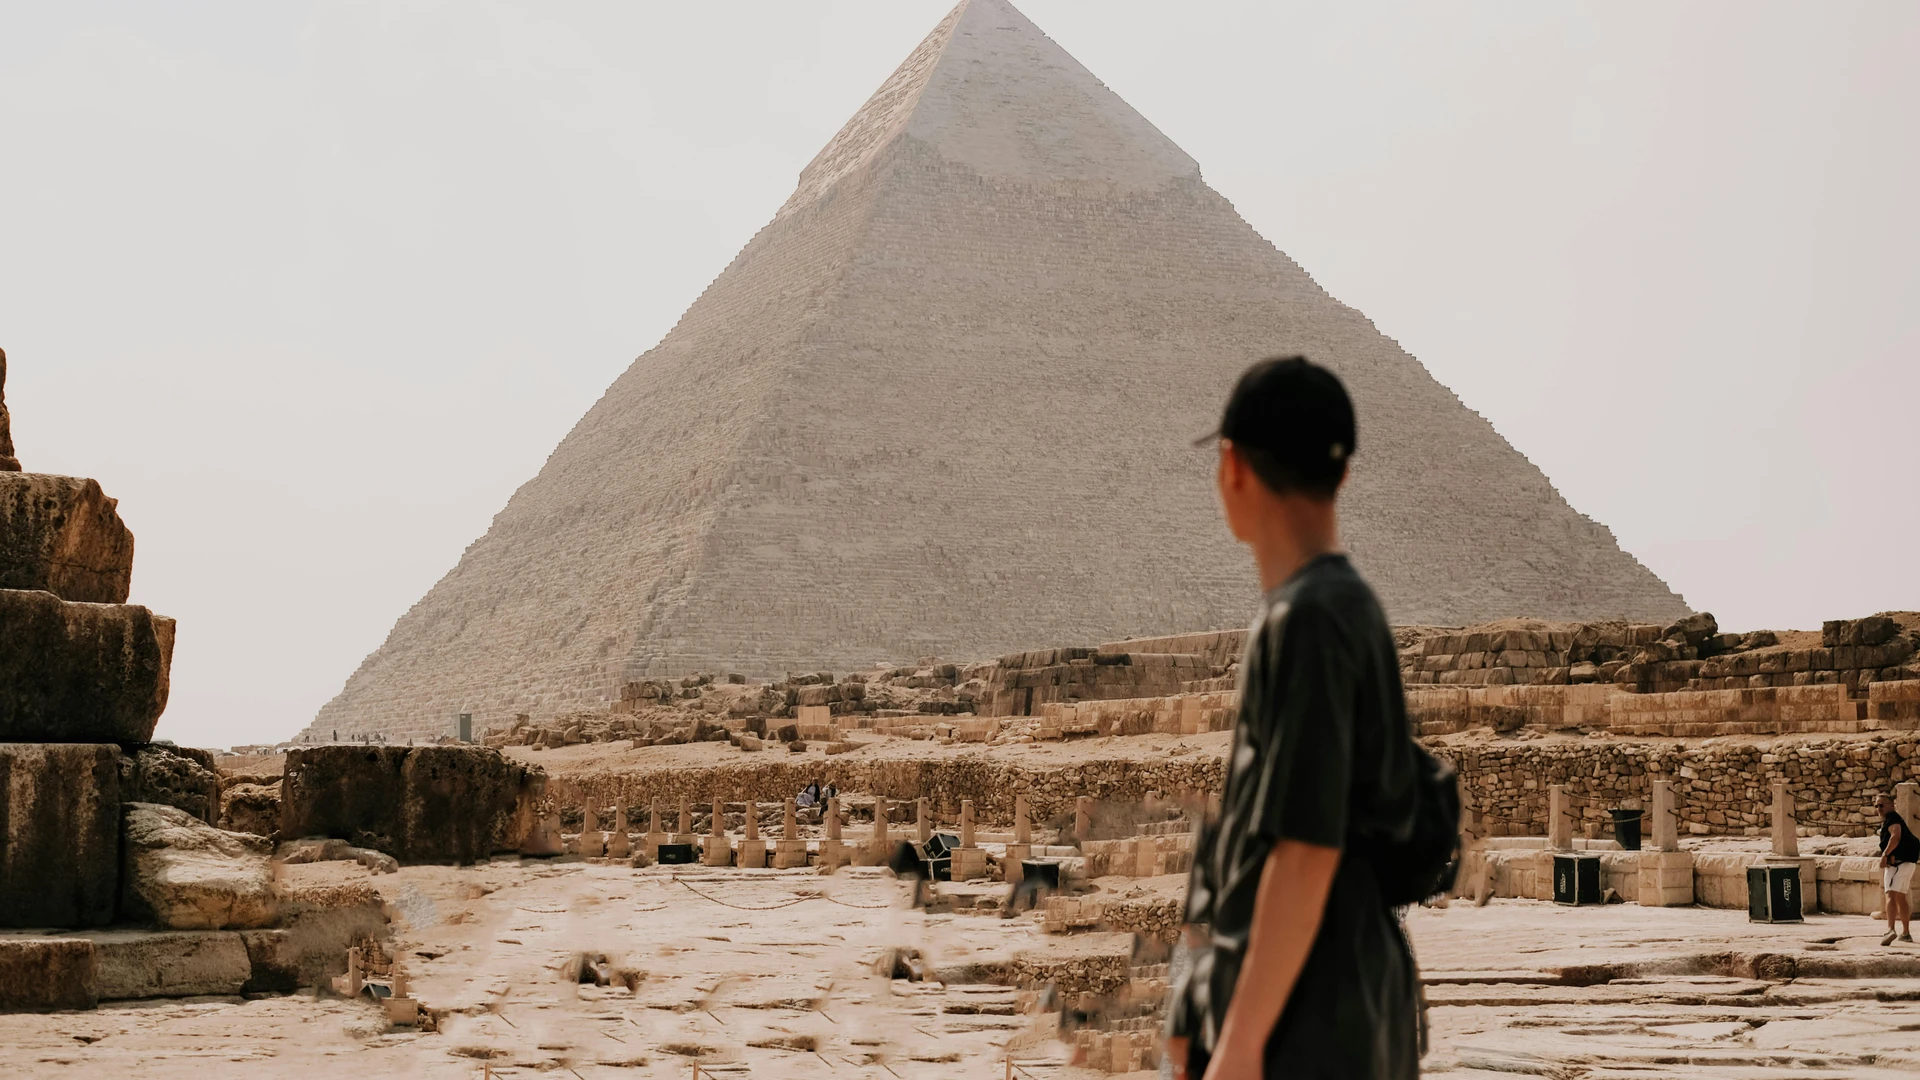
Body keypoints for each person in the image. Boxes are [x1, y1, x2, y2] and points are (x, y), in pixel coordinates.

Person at [1166, 356, 1423, 1080]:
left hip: (1308, 1019)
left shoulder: (1311, 620)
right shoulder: (1334, 610)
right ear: (1342, 476)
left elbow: (1306, 846)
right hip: (1331, 998)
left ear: (1233, 467)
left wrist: (1242, 1042)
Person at [1878, 794, 1917, 946]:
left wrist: (1885, 855)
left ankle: (1890, 929)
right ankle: (1906, 933)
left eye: (1882, 805)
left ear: (1891, 805)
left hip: (1897, 865)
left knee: (1890, 895)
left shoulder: (1892, 819)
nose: (1878, 809)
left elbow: (1895, 837)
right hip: (1909, 863)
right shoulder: (1894, 819)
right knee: (1901, 897)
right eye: (1876, 806)